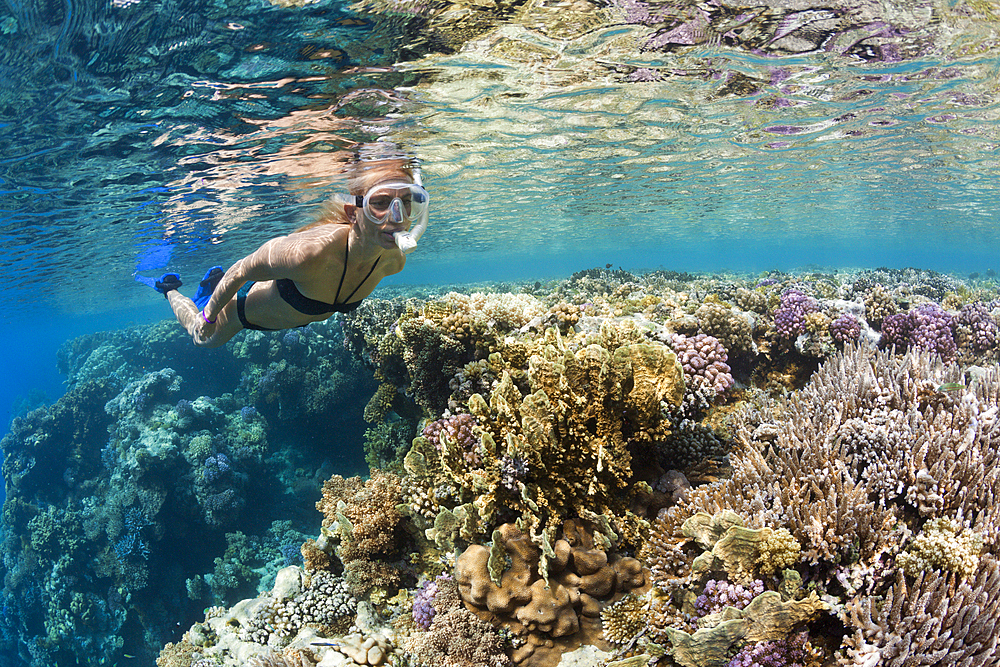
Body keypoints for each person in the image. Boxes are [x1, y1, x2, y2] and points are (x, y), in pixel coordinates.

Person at [139, 156, 428, 348]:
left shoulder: (393, 261)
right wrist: (210, 317)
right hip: (240, 311)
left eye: (406, 201)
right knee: (203, 340)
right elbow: (242, 269)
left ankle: (210, 286)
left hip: (275, 314)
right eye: (381, 203)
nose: (397, 217)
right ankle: (170, 289)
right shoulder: (310, 253)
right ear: (353, 213)